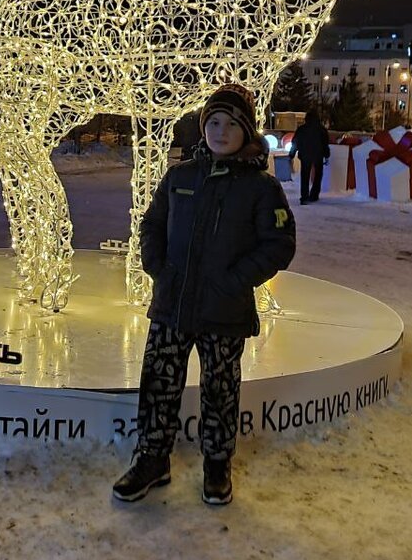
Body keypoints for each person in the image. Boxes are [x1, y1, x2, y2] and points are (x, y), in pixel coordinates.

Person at [113, 83, 296, 505]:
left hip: (224, 309)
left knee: (220, 389)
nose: (220, 130)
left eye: (231, 123)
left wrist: (235, 280)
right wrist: (158, 268)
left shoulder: (261, 188)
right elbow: (152, 224)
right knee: (158, 383)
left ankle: (217, 462)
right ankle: (152, 458)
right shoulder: (181, 176)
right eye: (213, 122)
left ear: (246, 131)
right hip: (172, 305)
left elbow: (280, 244)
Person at [289, 110, 331, 205]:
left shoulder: (301, 129)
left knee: (305, 176)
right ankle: (314, 195)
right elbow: (325, 144)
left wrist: (291, 154)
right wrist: (327, 155)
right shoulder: (321, 130)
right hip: (318, 155)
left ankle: (304, 197)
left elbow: (295, 142)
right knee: (318, 176)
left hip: (305, 155)